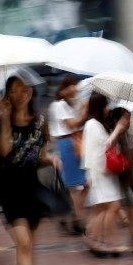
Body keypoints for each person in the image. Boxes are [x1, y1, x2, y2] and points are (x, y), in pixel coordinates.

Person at [0, 75, 59, 265]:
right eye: (16, 89)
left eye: (26, 88)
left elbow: (39, 155)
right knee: (23, 242)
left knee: (27, 246)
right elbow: (4, 151)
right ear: (8, 94)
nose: (23, 92)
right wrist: (3, 120)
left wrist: (51, 158)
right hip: (9, 187)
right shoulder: (2, 120)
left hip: (32, 186)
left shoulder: (40, 121)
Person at [82, 92, 124, 255]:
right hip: (100, 173)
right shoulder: (92, 124)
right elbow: (102, 147)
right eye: (105, 105)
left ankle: (98, 240)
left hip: (102, 173)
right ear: (99, 106)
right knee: (112, 206)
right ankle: (104, 241)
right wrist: (117, 130)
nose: (108, 108)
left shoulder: (97, 124)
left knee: (102, 208)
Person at [48, 75, 87, 235]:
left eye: (76, 86)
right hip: (68, 143)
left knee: (79, 184)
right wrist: (84, 111)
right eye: (72, 86)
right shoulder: (59, 105)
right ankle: (77, 220)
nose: (75, 89)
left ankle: (73, 217)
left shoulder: (67, 105)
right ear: (64, 88)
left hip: (72, 143)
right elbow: (72, 124)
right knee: (76, 185)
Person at [107, 106, 133, 252]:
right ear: (117, 119)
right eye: (125, 118)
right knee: (124, 207)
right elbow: (111, 149)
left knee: (132, 206)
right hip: (120, 178)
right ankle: (131, 239)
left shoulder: (127, 134)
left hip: (130, 177)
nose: (128, 121)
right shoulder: (115, 134)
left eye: (129, 118)